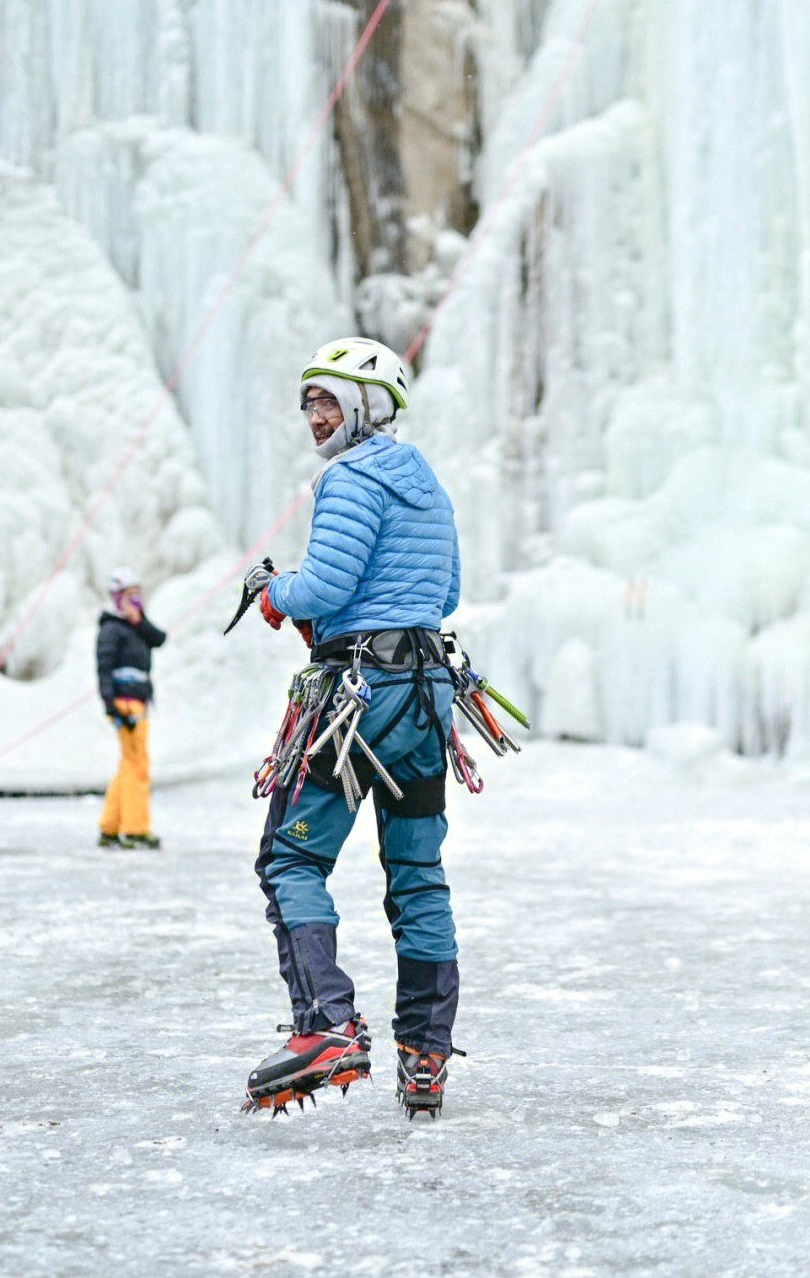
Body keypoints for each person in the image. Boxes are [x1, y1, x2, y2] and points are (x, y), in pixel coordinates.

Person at [242, 336, 461, 1118]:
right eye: (307, 402)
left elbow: (326, 583)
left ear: (366, 407)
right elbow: (448, 590)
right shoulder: (429, 486)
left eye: (327, 400)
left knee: (290, 856)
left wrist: (275, 593)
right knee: (416, 872)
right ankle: (425, 1054)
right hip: (427, 697)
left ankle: (326, 1026)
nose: (314, 416)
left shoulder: (348, 476)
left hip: (355, 702)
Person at [96, 566, 166, 850]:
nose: (134, 600)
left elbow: (159, 639)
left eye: (137, 594)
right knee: (138, 765)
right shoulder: (111, 628)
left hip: (139, 701)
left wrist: (139, 620)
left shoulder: (136, 626)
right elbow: (102, 668)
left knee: (129, 763)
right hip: (125, 703)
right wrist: (111, 707)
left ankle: (109, 827)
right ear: (116, 597)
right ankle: (134, 829)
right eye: (128, 595)